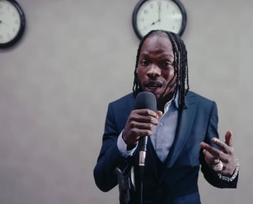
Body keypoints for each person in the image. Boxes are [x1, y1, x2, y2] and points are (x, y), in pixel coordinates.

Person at [94, 30, 239, 204]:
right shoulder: (118, 110)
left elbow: (213, 173)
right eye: (145, 62)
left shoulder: (203, 109)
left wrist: (224, 168)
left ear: (180, 67)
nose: (152, 71)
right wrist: (125, 140)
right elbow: (102, 181)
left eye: (165, 63)